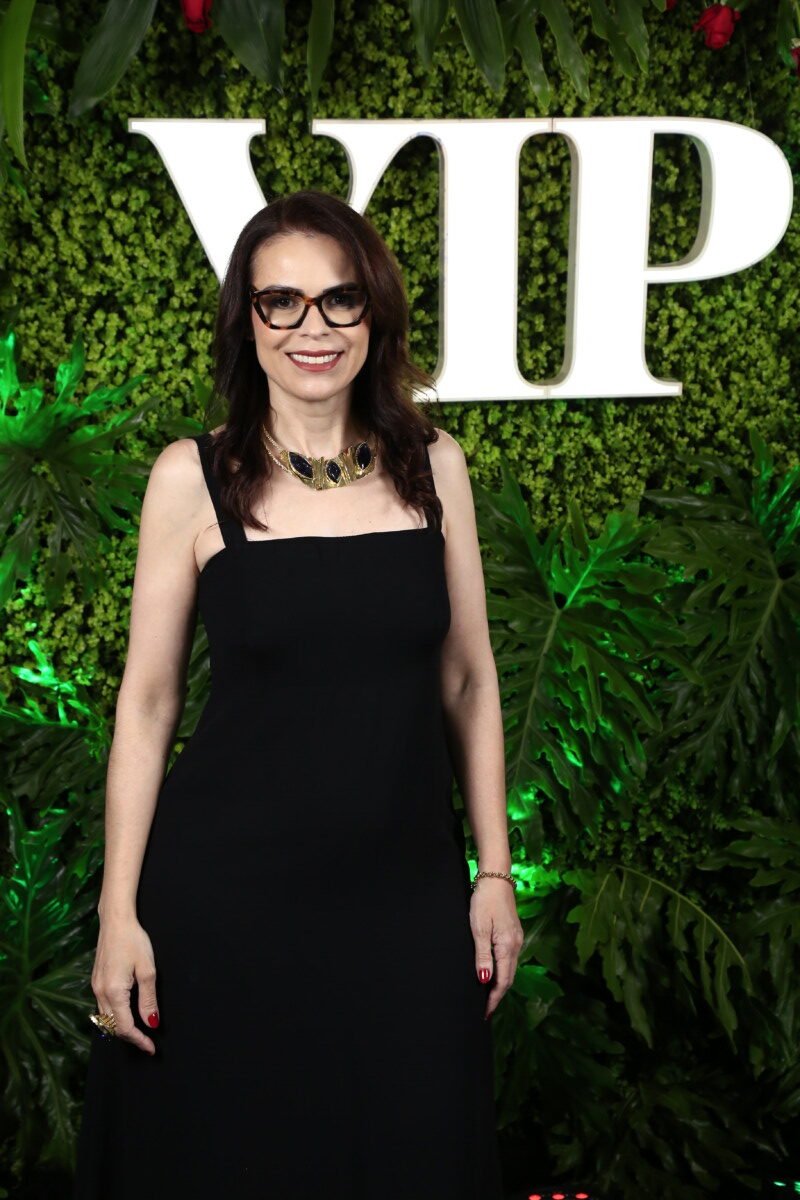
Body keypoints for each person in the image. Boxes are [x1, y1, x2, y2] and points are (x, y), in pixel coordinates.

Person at [72, 188, 523, 1199]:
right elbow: (147, 706)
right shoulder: (191, 478)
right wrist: (118, 911)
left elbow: (466, 678)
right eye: (281, 301)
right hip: (222, 911)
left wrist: (493, 873)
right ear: (247, 321)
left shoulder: (433, 467)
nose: (311, 327)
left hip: (403, 904)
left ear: (374, 313)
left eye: (338, 299)